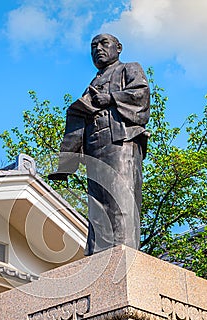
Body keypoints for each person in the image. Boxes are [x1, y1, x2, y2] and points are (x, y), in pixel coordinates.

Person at [49, 34, 150, 255]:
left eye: (104, 43)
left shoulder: (129, 68)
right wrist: (66, 162)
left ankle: (124, 251)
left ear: (119, 47)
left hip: (119, 141)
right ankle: (99, 254)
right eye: (93, 46)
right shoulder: (92, 84)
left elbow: (140, 94)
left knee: (120, 197)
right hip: (95, 146)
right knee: (97, 202)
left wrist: (112, 98)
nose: (98, 49)